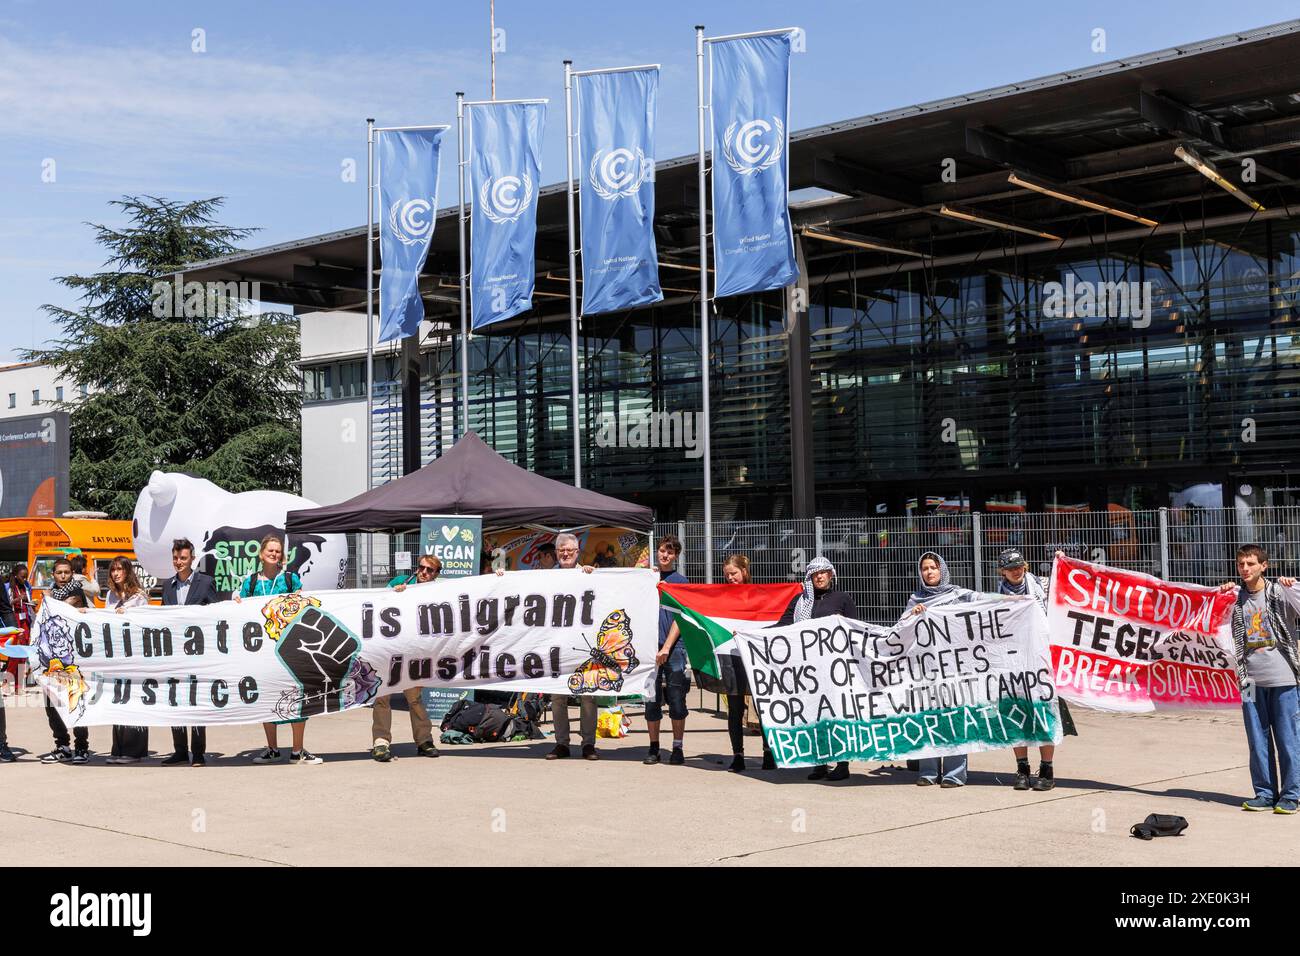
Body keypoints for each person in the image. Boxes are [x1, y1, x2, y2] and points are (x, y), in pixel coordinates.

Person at [1217, 545, 1299, 814]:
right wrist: (1221, 594)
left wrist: (1292, 585)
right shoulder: (1236, 598)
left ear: (1264, 565)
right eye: (1241, 564)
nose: (1245, 569)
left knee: (1288, 739)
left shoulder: (1279, 592)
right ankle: (1264, 793)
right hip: (1249, 681)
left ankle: (1291, 794)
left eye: (1251, 563)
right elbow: (1214, 616)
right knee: (1257, 738)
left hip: (1283, 678)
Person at [233, 534, 321, 765]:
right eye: (270, 551)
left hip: (291, 646)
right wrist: (237, 604)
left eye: (278, 551)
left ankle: (297, 750)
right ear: (261, 554)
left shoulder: (291, 579)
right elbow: (241, 614)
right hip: (261, 649)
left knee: (297, 694)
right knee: (267, 697)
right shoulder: (250, 583)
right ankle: (272, 749)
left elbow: (303, 607)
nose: (274, 554)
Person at [996, 548, 1076, 790]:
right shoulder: (997, 597)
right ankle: (1022, 769)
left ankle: (1047, 770)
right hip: (1014, 662)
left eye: (1019, 566)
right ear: (1003, 572)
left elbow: (1068, 584)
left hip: (1042, 660)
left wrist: (1063, 562)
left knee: (1044, 712)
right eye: (1010, 569)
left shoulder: (1041, 585)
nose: (1016, 571)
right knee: (1016, 714)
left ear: (1025, 566)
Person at [776, 557, 859, 781]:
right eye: (815, 573)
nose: (820, 576)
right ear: (810, 577)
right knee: (815, 714)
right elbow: (782, 626)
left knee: (839, 715)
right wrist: (750, 635)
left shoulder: (842, 599)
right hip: (809, 670)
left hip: (836, 669)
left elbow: (856, 630)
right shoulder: (800, 601)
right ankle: (820, 762)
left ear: (831, 575)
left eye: (824, 572)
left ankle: (842, 763)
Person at [906, 551, 977, 787]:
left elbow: (985, 607)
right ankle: (928, 772)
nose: (929, 572)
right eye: (925, 568)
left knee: (954, 719)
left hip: (954, 668)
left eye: (933, 568)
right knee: (929, 720)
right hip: (926, 670)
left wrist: (1017, 602)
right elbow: (902, 631)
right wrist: (911, 617)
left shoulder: (959, 596)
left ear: (942, 570)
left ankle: (955, 774)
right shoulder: (915, 599)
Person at [372, 554, 440, 762]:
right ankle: (381, 742)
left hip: (415, 653)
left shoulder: (438, 591)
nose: (424, 573)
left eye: (429, 570)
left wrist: (497, 575)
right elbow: (377, 603)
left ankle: (424, 741)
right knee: (382, 697)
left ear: (436, 574)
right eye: (421, 568)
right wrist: (395, 593)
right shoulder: (400, 582)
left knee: (415, 698)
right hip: (390, 650)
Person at [539, 532, 598, 760]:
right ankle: (562, 743)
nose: (565, 554)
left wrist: (594, 576)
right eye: (561, 550)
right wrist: (500, 575)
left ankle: (588, 744)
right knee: (557, 697)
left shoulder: (589, 575)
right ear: (556, 553)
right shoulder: (546, 579)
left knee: (587, 696)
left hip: (583, 646)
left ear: (577, 552)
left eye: (570, 550)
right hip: (556, 646)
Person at [160, 538, 218, 766]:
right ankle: (180, 751)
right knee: (176, 700)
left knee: (196, 701)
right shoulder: (167, 585)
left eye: (183, 558)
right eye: (175, 558)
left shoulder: (205, 582)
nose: (178, 562)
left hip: (198, 652)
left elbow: (215, 615)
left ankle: (199, 752)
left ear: (192, 559)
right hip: (174, 653)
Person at [720, 554, 776, 772]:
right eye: (726, 575)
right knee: (734, 708)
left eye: (733, 573)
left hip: (756, 657)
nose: (730, 578)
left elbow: (774, 612)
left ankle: (769, 753)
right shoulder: (721, 595)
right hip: (731, 656)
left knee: (763, 706)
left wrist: (797, 589)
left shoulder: (758, 594)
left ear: (744, 571)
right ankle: (738, 755)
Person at [644, 535, 689, 766]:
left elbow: (681, 617)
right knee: (651, 700)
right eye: (662, 551)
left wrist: (666, 647)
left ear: (676, 556)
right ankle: (654, 747)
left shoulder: (681, 581)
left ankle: (677, 747)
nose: (665, 555)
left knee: (676, 699)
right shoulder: (646, 578)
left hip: (674, 648)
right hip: (648, 648)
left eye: (670, 553)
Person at [41, 557, 91, 764]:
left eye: (67, 572)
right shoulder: (50, 594)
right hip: (52, 658)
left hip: (73, 658)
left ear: (72, 574)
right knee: (52, 702)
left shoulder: (76, 593)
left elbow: (60, 610)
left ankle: (81, 747)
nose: (63, 576)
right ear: (53, 575)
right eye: (59, 573)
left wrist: (48, 600)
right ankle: (62, 745)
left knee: (75, 699)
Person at [103, 557, 150, 764]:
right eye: (113, 569)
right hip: (116, 654)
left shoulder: (139, 596)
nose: (115, 573)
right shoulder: (110, 595)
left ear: (127, 571)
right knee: (119, 699)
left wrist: (127, 614)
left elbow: (145, 623)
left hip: (135, 655)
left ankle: (134, 751)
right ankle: (119, 748)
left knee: (134, 699)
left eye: (119, 569)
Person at [6, 565, 32, 696]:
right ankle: (6, 682)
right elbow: (5, 604)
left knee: (23, 654)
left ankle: (19, 687)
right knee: (15, 653)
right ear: (16, 575)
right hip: (14, 620)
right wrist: (18, 599)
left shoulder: (26, 586)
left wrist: (30, 602)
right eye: (23, 576)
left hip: (25, 621)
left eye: (26, 576)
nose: (25, 579)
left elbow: (27, 600)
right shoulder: (8, 587)